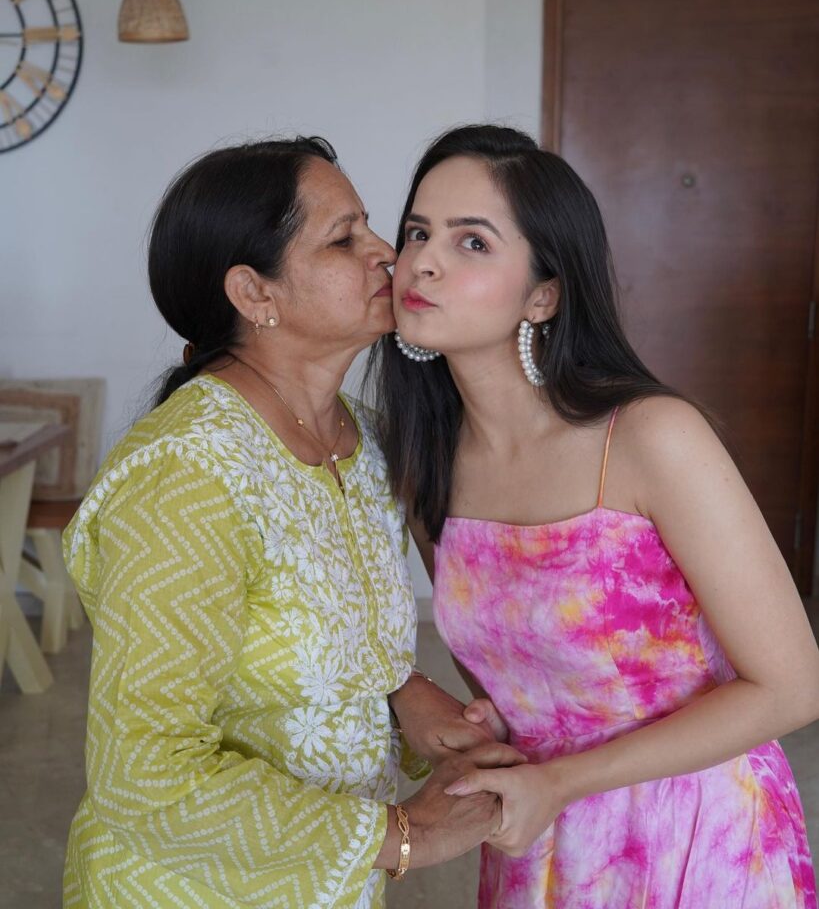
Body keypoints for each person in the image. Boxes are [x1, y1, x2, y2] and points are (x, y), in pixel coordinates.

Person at [62, 136, 523, 909]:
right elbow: (142, 772)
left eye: (370, 226)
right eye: (344, 239)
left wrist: (400, 696)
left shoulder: (361, 438)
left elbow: (292, 643)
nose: (387, 253)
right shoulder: (184, 476)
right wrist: (404, 834)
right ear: (253, 293)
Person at [371, 124, 819, 908]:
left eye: (472, 242)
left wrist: (560, 780)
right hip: (540, 840)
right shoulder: (426, 467)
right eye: (417, 232)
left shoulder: (649, 437)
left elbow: (791, 687)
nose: (424, 261)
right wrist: (482, 726)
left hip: (696, 836)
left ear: (542, 294)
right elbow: (514, 684)